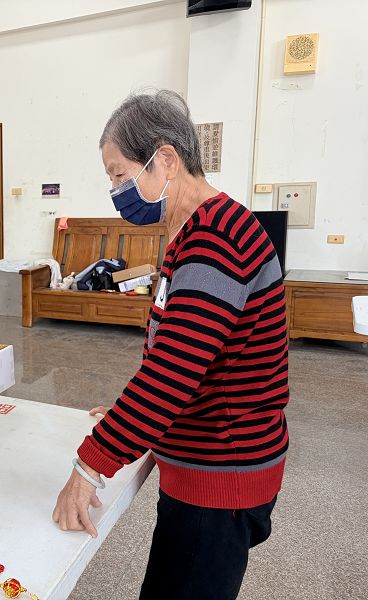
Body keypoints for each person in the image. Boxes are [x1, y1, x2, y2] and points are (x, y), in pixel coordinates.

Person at [52, 90, 289, 600]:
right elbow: (185, 355)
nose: (115, 189)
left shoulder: (216, 240)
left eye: (119, 174)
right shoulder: (199, 229)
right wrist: (133, 418)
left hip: (221, 472)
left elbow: (171, 376)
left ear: (165, 159)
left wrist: (90, 464)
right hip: (204, 459)